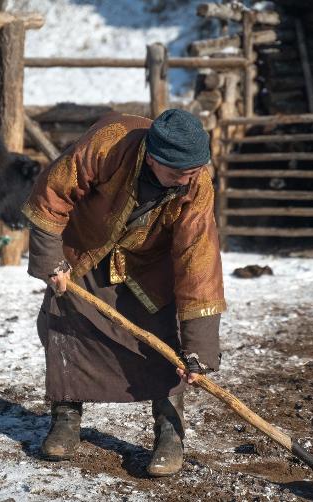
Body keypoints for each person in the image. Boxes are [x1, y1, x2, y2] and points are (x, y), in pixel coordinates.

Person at [22, 108, 225, 477]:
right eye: (177, 173)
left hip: (151, 262)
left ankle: (170, 432)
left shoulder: (196, 183)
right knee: (67, 326)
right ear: (152, 158)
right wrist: (51, 261)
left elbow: (199, 259)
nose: (186, 180)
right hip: (86, 245)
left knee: (166, 342)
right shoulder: (109, 141)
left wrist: (200, 346)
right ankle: (66, 420)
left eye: (192, 172)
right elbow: (52, 192)